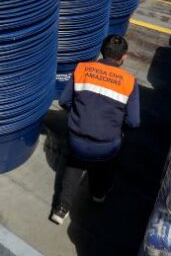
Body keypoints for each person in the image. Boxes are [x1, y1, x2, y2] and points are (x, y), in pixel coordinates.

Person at [49, 34, 140, 225]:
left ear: (102, 51)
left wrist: (81, 113)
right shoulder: (129, 81)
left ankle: (60, 209)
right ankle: (98, 195)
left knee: (74, 166)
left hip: (77, 141)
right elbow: (133, 122)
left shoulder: (82, 69)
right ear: (124, 57)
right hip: (106, 145)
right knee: (104, 165)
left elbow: (64, 101)